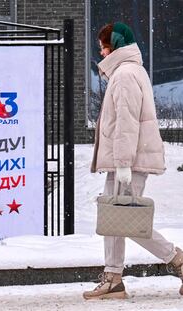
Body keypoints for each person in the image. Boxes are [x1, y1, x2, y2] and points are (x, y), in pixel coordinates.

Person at [83, 22, 183, 300]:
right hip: (125, 159)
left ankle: (178, 260)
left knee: (125, 219)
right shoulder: (129, 71)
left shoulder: (125, 74)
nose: (101, 53)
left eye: (103, 46)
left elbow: (127, 123)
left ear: (114, 46)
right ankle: (113, 278)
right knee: (116, 218)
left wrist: (124, 163)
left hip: (128, 160)